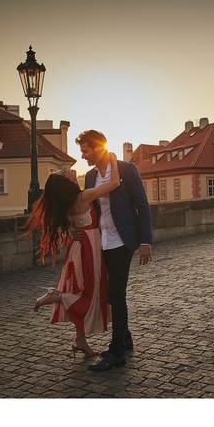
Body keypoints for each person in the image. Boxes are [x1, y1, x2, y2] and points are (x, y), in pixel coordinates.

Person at [25, 153, 122, 358]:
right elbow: (114, 183)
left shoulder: (67, 204)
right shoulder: (83, 196)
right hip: (89, 248)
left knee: (84, 290)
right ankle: (56, 296)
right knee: (91, 293)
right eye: (64, 171)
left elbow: (69, 223)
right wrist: (112, 158)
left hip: (78, 248)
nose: (67, 169)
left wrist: (70, 229)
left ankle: (80, 340)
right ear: (67, 182)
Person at [77, 130, 153, 372]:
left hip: (123, 239)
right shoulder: (89, 176)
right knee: (112, 293)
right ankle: (126, 339)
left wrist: (145, 241)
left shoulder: (126, 169)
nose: (83, 154)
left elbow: (142, 204)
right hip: (103, 241)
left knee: (116, 294)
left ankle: (117, 352)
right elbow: (89, 208)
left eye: (85, 149)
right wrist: (77, 230)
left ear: (98, 147)